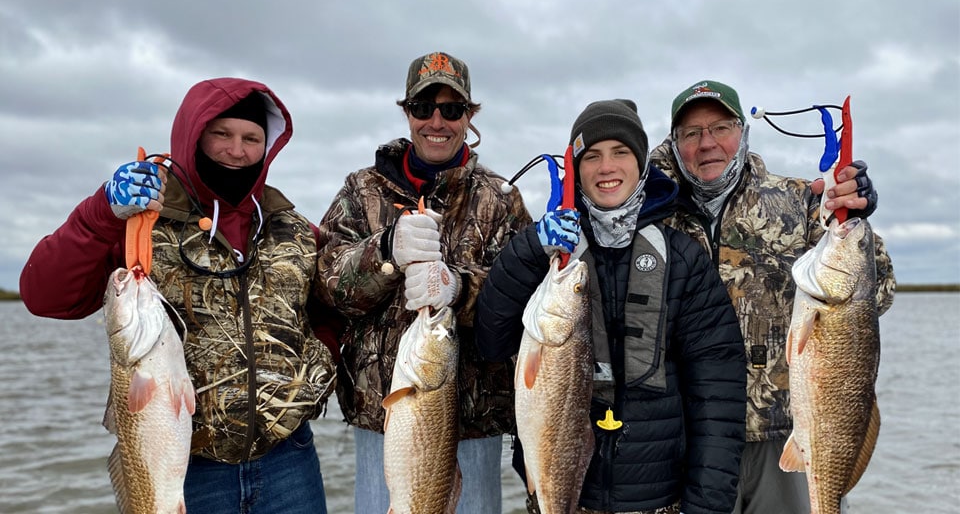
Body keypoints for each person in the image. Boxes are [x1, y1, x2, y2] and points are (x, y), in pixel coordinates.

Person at [19, 77, 338, 513]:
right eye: (221, 134)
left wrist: (320, 361)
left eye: (251, 138)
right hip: (182, 464)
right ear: (193, 136)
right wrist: (100, 214)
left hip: (289, 458)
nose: (237, 150)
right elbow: (45, 296)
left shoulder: (293, 228)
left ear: (268, 147)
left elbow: (329, 310)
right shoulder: (142, 220)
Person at [476, 99, 747, 514]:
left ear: (641, 163)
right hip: (562, 490)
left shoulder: (683, 260)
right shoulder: (553, 258)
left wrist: (706, 506)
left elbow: (718, 399)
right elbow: (492, 340)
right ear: (577, 170)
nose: (606, 167)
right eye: (593, 156)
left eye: (621, 152)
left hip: (660, 500)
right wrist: (530, 248)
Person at [647, 80, 897, 514]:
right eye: (691, 133)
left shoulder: (798, 200)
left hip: (788, 433)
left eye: (721, 127)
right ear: (674, 144)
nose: (707, 143)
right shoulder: (652, 214)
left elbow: (877, 293)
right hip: (692, 441)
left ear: (743, 132)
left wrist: (856, 222)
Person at [313, 51, 532, 513]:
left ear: (469, 116)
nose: (438, 120)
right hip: (386, 419)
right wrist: (386, 251)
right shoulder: (361, 190)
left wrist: (459, 290)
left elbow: (523, 299)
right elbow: (327, 287)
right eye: (423, 107)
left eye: (452, 109)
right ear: (406, 112)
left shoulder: (502, 198)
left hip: (475, 426)